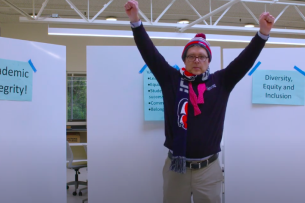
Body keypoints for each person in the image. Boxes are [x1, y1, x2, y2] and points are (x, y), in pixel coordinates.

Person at [124, 1, 274, 202]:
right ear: (184, 59)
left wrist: (262, 34)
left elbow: (244, 60)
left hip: (209, 170)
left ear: (208, 61)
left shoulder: (221, 82)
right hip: (176, 168)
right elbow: (150, 54)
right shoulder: (171, 80)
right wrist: (135, 21)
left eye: (202, 57)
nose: (197, 60)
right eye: (192, 56)